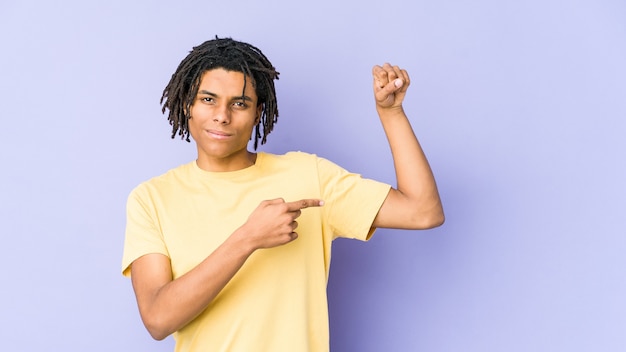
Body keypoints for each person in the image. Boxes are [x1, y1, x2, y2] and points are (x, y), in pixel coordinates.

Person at [121, 37, 444, 352]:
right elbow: (158, 319)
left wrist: (392, 114)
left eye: (240, 103)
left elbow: (423, 211)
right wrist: (247, 238)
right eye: (208, 99)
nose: (222, 115)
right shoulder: (151, 198)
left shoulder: (308, 176)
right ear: (187, 104)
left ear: (258, 112)